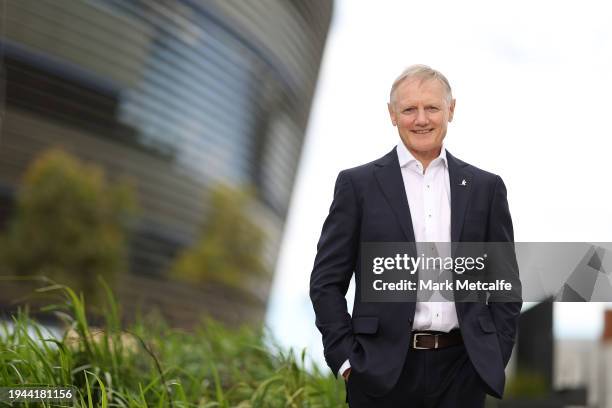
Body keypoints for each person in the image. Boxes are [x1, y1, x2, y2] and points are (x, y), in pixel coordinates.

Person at [309, 64, 522, 407]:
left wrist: (493, 354)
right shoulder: (357, 186)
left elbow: (505, 284)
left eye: (432, 108)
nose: (421, 119)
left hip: (462, 371)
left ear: (451, 110)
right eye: (409, 109)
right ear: (392, 115)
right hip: (379, 372)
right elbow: (326, 282)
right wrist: (347, 360)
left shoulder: (486, 188)